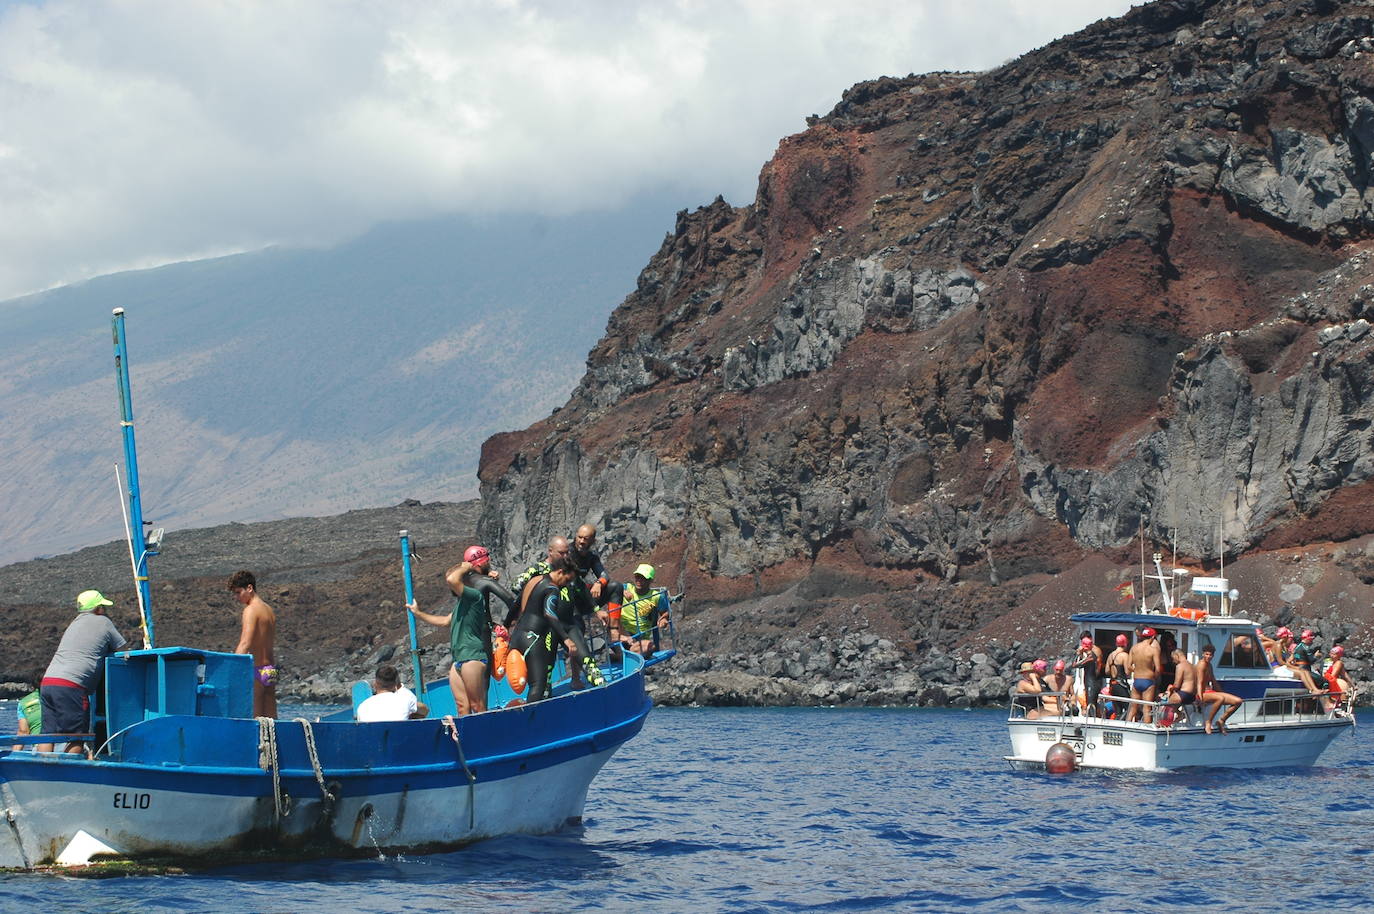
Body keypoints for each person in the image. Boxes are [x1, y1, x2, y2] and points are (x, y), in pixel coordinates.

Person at [37, 590, 128, 755]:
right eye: (103, 607)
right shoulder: (103, 622)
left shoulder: (74, 623)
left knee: (48, 734)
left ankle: (44, 769)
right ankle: (69, 774)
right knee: (77, 736)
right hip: (71, 686)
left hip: (48, 683)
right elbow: (122, 650)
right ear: (98, 608)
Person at [409, 560, 496, 715]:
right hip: (458, 659)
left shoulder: (475, 596)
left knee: (477, 705)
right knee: (462, 707)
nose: (448, 585)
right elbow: (445, 621)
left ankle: (485, 735)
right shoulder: (461, 605)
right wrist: (418, 613)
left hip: (472, 656)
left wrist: (464, 568)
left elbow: (452, 580)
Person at [509, 557, 581, 702]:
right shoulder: (552, 588)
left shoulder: (537, 580)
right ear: (560, 572)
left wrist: (505, 625)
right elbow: (549, 613)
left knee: (532, 684)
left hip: (518, 635)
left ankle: (529, 718)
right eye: (567, 580)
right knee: (538, 685)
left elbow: (517, 603)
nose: (566, 585)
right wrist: (566, 639)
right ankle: (531, 722)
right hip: (533, 638)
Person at [229, 570, 278, 719]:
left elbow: (245, 642)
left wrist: (232, 670)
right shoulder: (269, 610)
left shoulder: (250, 610)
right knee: (272, 723)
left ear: (249, 588)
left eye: (238, 592)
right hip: (270, 670)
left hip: (256, 670)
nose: (237, 598)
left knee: (255, 722)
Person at [509, 536, 572, 626]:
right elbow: (516, 586)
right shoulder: (538, 569)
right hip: (540, 618)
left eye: (567, 552)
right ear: (550, 551)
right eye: (561, 553)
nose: (565, 556)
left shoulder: (569, 570)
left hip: (562, 619)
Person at [610, 564, 669, 656]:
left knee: (651, 647)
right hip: (622, 631)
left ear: (650, 580)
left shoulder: (656, 597)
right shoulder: (627, 587)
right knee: (609, 620)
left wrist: (664, 620)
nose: (639, 580)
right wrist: (621, 591)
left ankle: (622, 656)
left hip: (639, 637)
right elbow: (611, 590)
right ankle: (625, 654)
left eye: (643, 578)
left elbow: (665, 613)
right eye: (637, 577)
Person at [356, 664, 429, 722]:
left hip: (374, 739)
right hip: (401, 738)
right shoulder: (405, 699)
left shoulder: (362, 706)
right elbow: (425, 710)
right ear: (395, 685)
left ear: (375, 684)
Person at [1197, 643, 1242, 734]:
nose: (1208, 656)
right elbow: (1199, 682)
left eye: (1210, 655)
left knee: (1238, 701)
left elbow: (1214, 681)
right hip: (1201, 693)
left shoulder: (1209, 665)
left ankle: (1221, 720)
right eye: (1207, 654)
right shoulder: (1201, 665)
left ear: (1213, 655)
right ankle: (1208, 722)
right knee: (1220, 698)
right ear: (1203, 654)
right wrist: (1200, 698)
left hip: (1210, 692)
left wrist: (1222, 693)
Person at [1128, 627, 1162, 723]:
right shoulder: (1153, 650)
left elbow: (1128, 666)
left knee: (1133, 708)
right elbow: (1158, 669)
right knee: (1147, 708)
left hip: (1137, 679)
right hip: (1148, 680)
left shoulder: (1134, 648)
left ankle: (1127, 726)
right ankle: (1147, 728)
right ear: (1152, 637)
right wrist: (1154, 676)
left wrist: (1137, 670)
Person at [1161, 648, 1199, 726]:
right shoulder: (1193, 666)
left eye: (1173, 658)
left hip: (1184, 694)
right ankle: (1179, 715)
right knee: (1173, 702)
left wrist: (1170, 688)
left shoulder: (1180, 666)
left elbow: (1177, 685)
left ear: (1176, 656)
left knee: (1165, 703)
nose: (1173, 661)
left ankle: (1164, 724)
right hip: (1192, 696)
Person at [1070, 634, 1102, 717]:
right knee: (1090, 704)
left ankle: (1093, 723)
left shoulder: (1090, 657)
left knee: (1090, 705)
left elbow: (1074, 665)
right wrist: (1080, 655)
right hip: (1090, 682)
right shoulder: (1090, 656)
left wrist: (1077, 654)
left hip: (1092, 683)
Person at [13, 670, 42, 751]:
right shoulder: (60, 696)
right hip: (66, 746)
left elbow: (23, 731)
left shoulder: (23, 703)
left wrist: (14, 756)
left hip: (39, 748)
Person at [1288, 628, 1324, 695]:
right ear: (1307, 639)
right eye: (1311, 640)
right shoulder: (1306, 647)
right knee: (1323, 681)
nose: (1312, 642)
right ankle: (1324, 699)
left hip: (1300, 667)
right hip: (1304, 668)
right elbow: (1311, 660)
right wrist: (1316, 656)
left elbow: (1291, 660)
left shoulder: (1297, 646)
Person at [1104, 634, 1132, 719]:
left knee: (1118, 710)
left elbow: (1107, 671)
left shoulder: (1110, 655)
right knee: (1129, 707)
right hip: (1121, 684)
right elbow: (1127, 672)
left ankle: (1116, 724)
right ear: (1125, 644)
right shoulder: (1124, 655)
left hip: (1112, 685)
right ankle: (1122, 723)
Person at [1323, 644, 1353, 712]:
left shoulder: (1338, 663)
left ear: (1339, 655)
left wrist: (1353, 685)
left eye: (1334, 654)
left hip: (1332, 681)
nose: (1331, 655)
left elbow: (1333, 675)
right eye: (1331, 653)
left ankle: (1329, 703)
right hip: (1329, 679)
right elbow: (1344, 675)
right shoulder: (1331, 662)